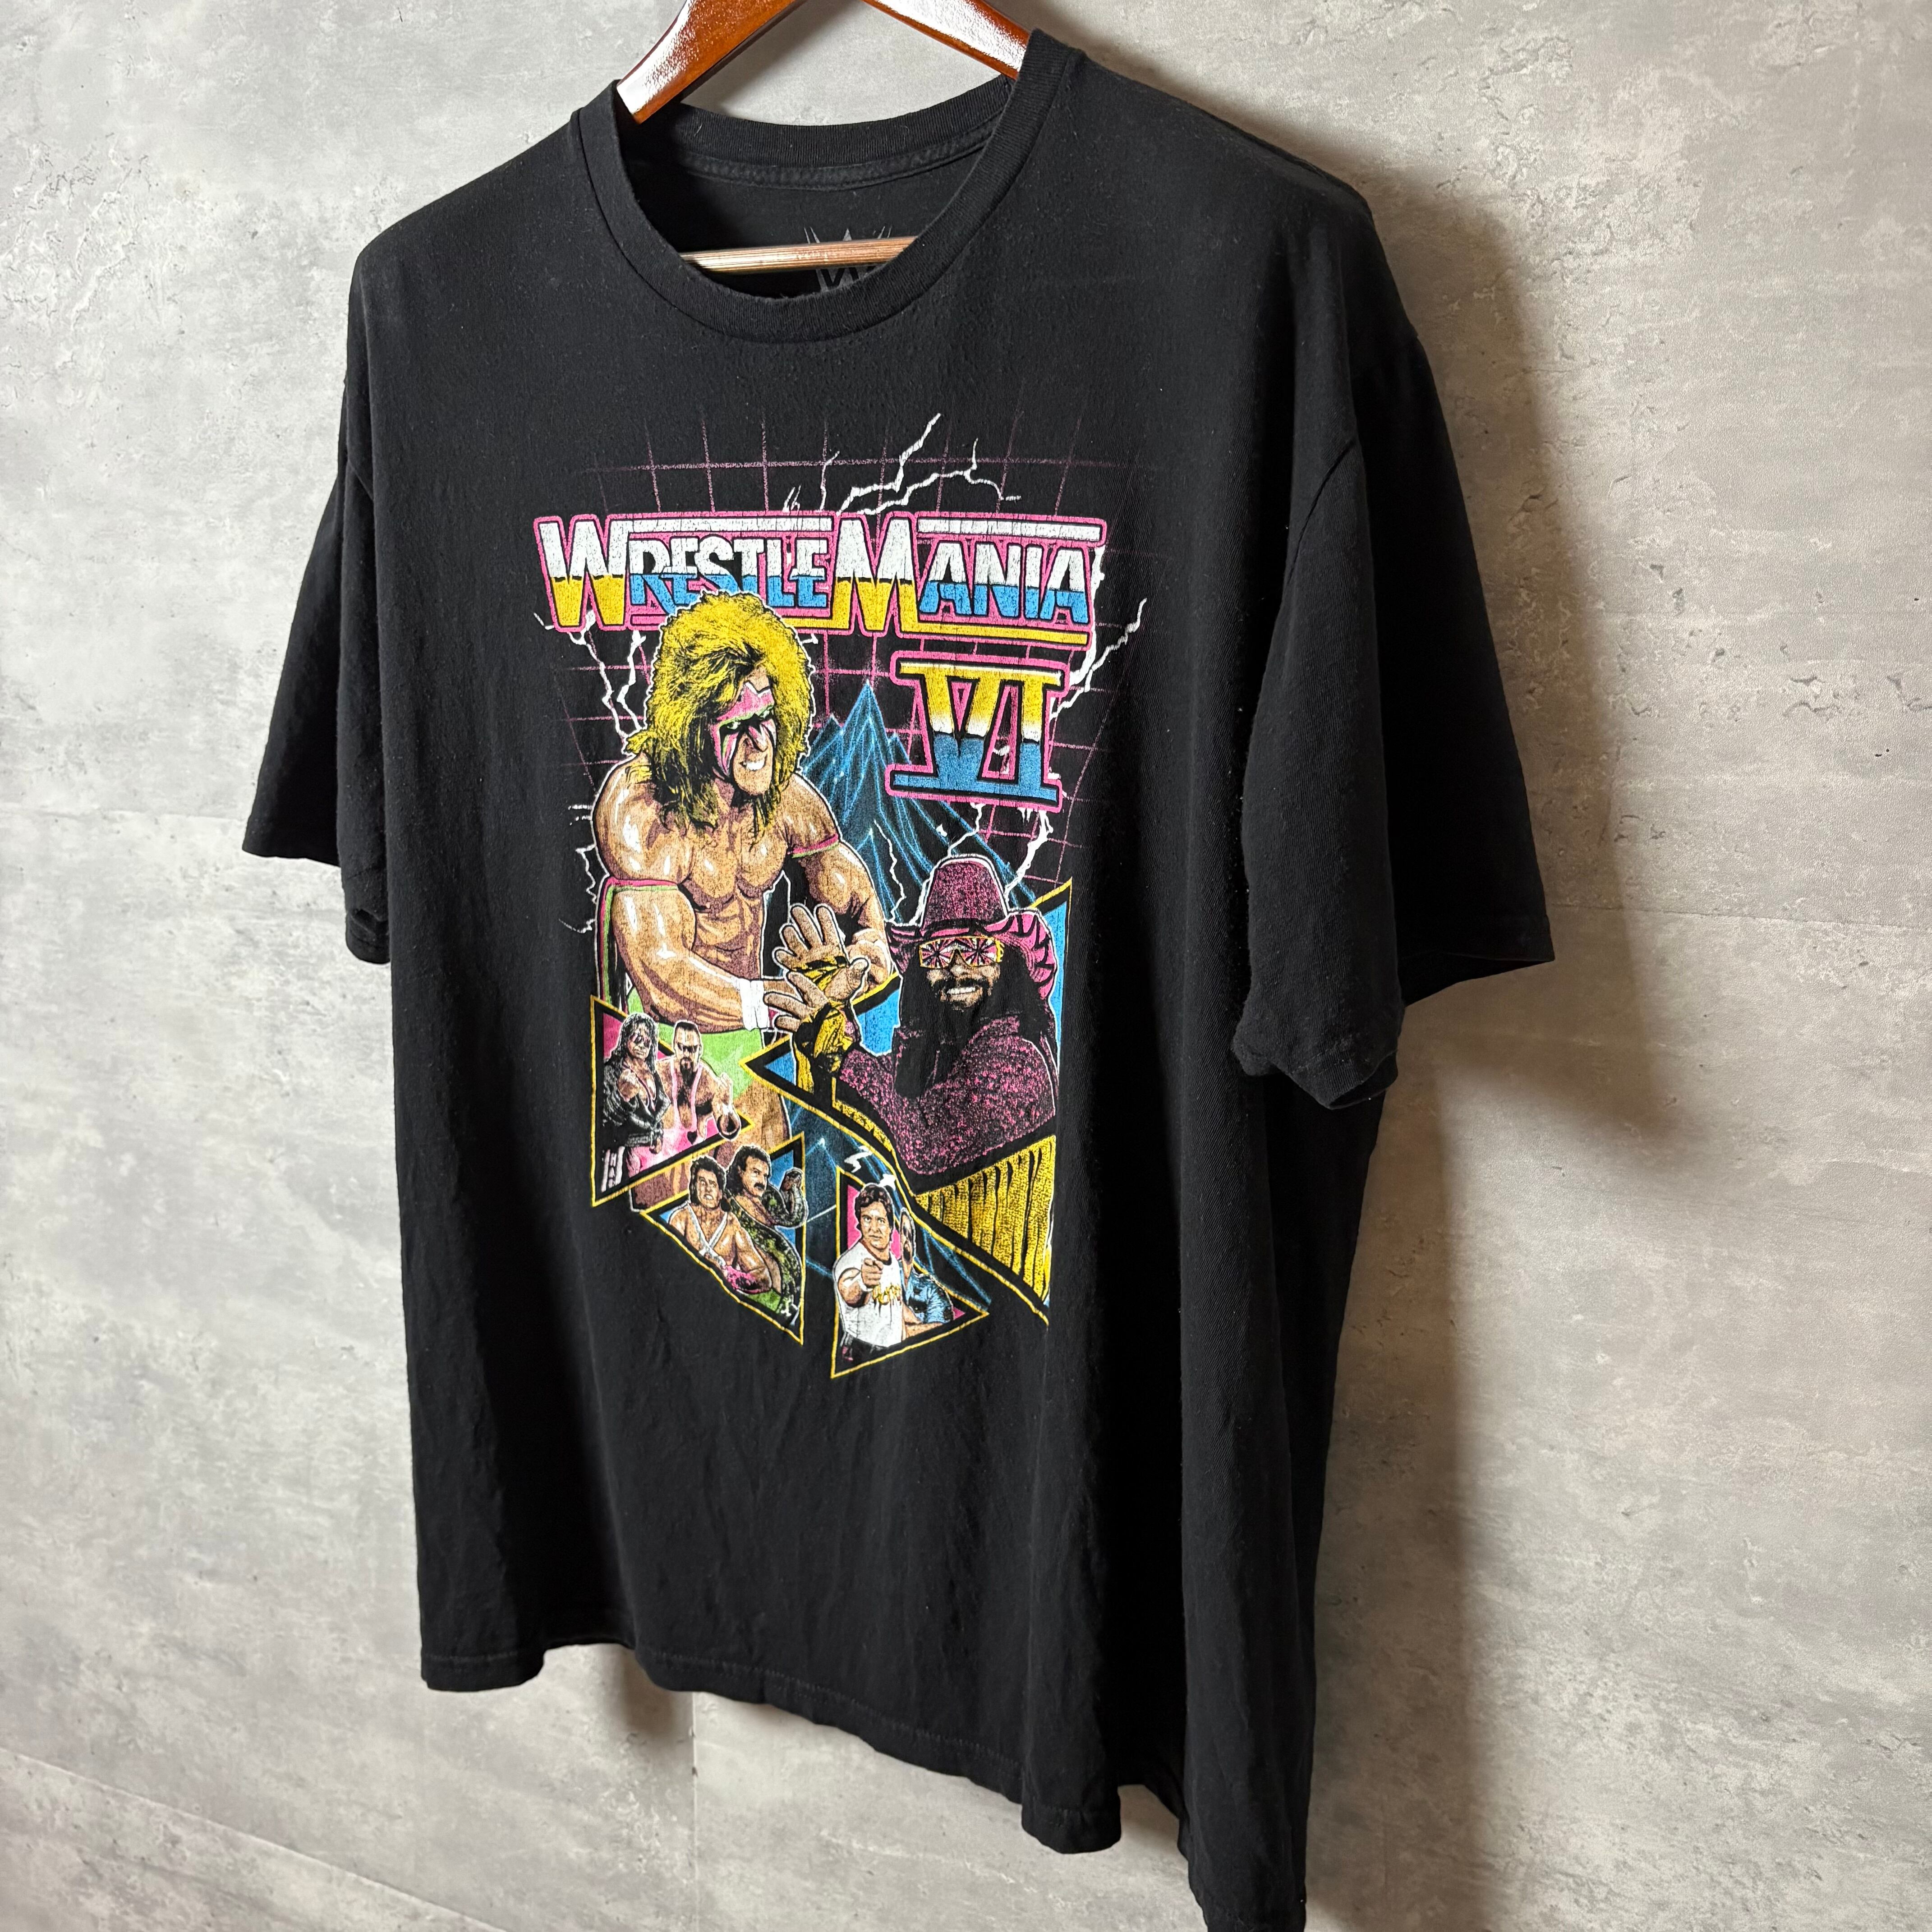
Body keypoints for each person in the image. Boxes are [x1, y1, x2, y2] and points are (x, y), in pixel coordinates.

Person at [593, 593, 888, 1159]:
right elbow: (661, 972)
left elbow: (857, 904)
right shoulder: (644, 811)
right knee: (674, 1206)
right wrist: (778, 1005)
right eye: (739, 725)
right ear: (693, 728)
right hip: (658, 1057)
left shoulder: (788, 804)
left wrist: (868, 953)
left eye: (767, 718)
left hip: (751, 1048)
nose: (761, 742)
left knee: (767, 1202)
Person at [767, 857, 1058, 1187]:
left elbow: (925, 1143)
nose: (957, 969)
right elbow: (875, 1098)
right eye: (938, 953)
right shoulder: (935, 1052)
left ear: (1008, 962)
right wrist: (835, 1014)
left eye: (977, 950)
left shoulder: (1017, 1060)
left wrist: (836, 1046)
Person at [833, 1185, 941, 1355]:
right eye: (867, 1219)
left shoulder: (893, 1263)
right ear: (860, 1222)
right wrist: (862, 1282)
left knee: (940, 1331)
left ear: (891, 1227)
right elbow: (848, 1289)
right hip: (862, 1354)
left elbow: (897, 1305)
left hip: (894, 1351)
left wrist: (921, 1326)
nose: (874, 1228)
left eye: (881, 1221)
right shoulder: (851, 1261)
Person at [665, 1155, 771, 1293]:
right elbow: (669, 1266)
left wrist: (729, 1276)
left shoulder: (732, 1228)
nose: (708, 1189)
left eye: (713, 1184)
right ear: (695, 1187)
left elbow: (764, 1278)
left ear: (721, 1193)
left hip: (720, 1300)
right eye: (702, 1182)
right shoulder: (682, 1219)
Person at [723, 1144, 805, 1322]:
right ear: (740, 1171)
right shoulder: (728, 1202)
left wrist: (790, 1190)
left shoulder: (765, 1198)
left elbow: (791, 1218)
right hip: (757, 1291)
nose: (762, 1180)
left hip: (786, 1290)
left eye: (765, 1176)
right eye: (756, 1173)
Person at [597, 1011, 668, 1179]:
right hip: (621, 1161)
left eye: (648, 1041)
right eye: (637, 1038)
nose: (643, 1045)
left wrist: (658, 1136)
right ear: (626, 1039)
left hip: (652, 1160)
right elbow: (602, 1124)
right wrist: (622, 1097)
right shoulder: (611, 1071)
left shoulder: (652, 1074)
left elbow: (656, 1116)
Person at [665, 1019, 743, 1151]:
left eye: (692, 1049)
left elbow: (729, 1132)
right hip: (659, 1157)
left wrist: (727, 1106)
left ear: (700, 1050)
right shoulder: (660, 1074)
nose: (686, 1054)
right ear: (674, 1046)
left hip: (693, 1156)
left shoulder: (709, 1084)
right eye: (682, 1047)